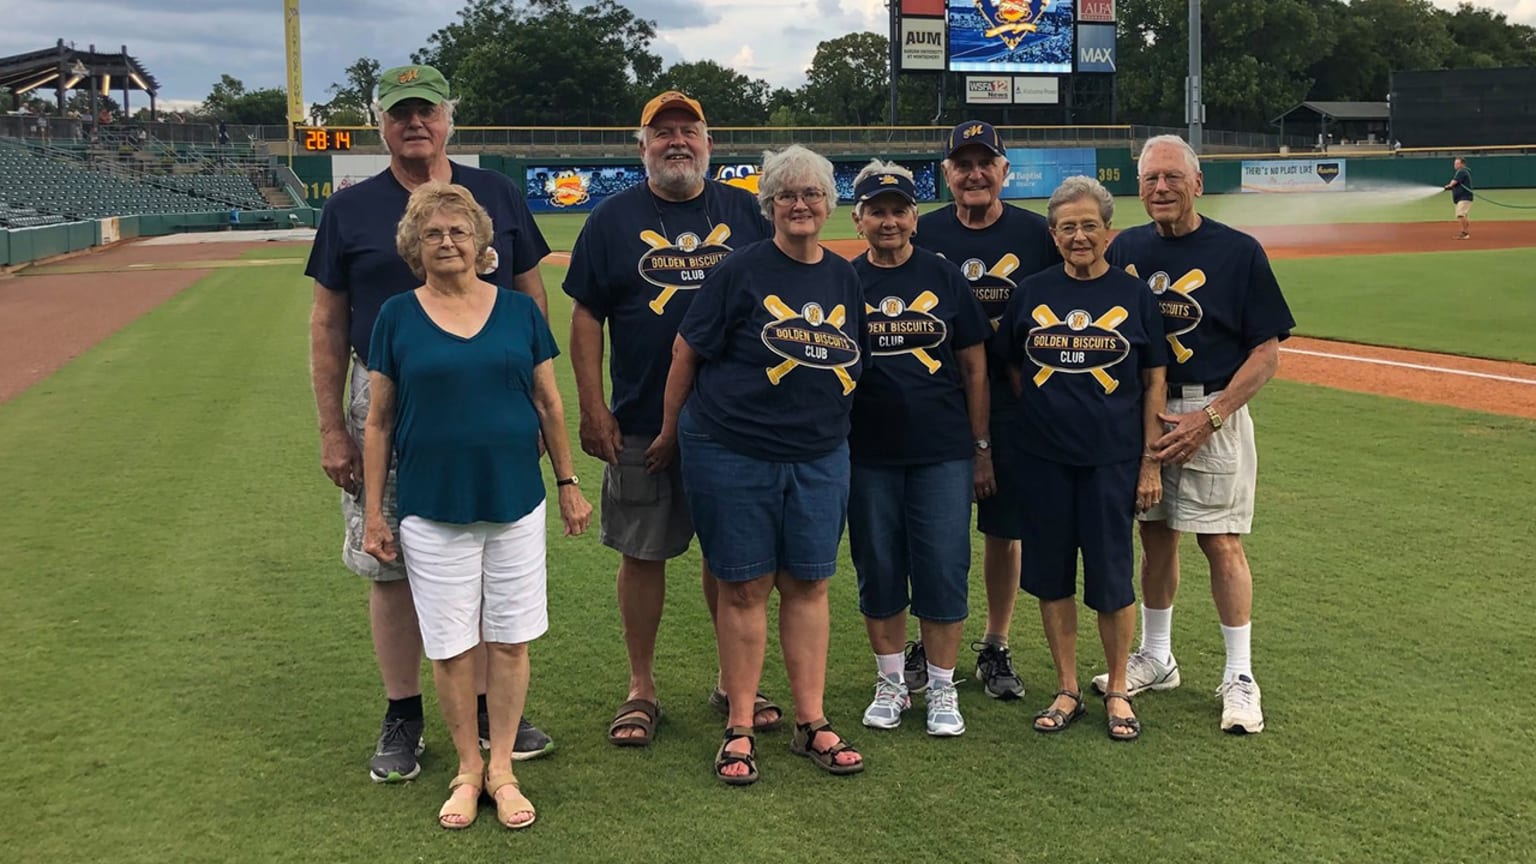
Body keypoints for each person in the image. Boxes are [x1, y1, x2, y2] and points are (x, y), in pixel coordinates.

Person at [305, 63, 556, 784]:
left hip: (492, 398)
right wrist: (331, 427)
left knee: (484, 552)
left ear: (450, 117)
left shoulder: (497, 195)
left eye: (427, 111)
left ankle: (484, 711)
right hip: (385, 403)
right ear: (379, 123)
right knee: (390, 567)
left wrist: (537, 405)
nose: (415, 123)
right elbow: (327, 322)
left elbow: (530, 296)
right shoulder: (351, 210)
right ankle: (403, 712)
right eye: (400, 112)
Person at [362, 182, 591, 829]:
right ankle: (468, 769)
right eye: (432, 233)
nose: (447, 242)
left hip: (514, 501)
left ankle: (503, 770)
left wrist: (570, 481)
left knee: (511, 643)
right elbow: (378, 424)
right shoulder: (396, 317)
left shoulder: (520, 313)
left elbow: (548, 403)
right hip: (433, 509)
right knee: (453, 650)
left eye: (458, 231)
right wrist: (375, 512)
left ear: (480, 242)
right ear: (414, 245)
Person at [562, 90, 777, 747]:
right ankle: (641, 688)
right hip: (638, 419)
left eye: (689, 130)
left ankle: (732, 681)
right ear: (643, 147)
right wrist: (592, 407)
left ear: (711, 144)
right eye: (663, 132)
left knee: (733, 556)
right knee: (642, 553)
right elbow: (586, 315)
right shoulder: (611, 220)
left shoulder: (748, 212)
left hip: (734, 423)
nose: (677, 141)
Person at [653, 144, 867, 785]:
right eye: (786, 195)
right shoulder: (740, 271)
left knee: (809, 584)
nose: (800, 205)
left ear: (830, 204)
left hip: (818, 454)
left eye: (811, 194)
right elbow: (686, 352)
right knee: (743, 588)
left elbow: (849, 358)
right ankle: (740, 724)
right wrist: (669, 431)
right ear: (768, 205)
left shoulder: (842, 274)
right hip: (732, 448)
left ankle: (810, 721)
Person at [1096, 134, 1296, 734]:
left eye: (1172, 178)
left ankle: (1240, 675)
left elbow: (1266, 352)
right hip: (1145, 412)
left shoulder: (1238, 252)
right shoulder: (1125, 248)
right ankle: (1157, 657)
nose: (1161, 188)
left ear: (1197, 183)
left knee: (1221, 541)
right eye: (1151, 179)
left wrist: (1211, 417)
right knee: (1155, 539)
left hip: (1213, 409)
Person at [994, 176, 1167, 741]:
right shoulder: (1032, 292)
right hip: (1044, 460)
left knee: (1113, 580)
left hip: (1111, 461)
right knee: (1052, 579)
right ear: (1053, 233)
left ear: (1108, 230)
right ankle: (1067, 687)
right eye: (1067, 227)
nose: (1079, 236)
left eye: (1089, 225)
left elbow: (1153, 380)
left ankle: (1117, 688)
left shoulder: (1133, 295)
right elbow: (1014, 368)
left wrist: (1149, 463)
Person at [911, 120, 1059, 700]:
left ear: (1004, 169)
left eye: (985, 162)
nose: (974, 173)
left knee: (1004, 531)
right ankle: (929, 637)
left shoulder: (1036, 234)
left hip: (1016, 406)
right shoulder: (923, 232)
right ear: (946, 173)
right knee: (933, 531)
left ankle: (996, 645)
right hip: (940, 406)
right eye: (962, 164)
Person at [845, 161, 992, 737]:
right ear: (858, 220)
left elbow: (975, 367)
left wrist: (981, 448)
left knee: (942, 566)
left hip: (942, 449)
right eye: (876, 211)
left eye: (899, 210)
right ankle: (890, 682)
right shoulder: (845, 279)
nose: (889, 221)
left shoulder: (944, 276)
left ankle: (942, 686)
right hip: (867, 450)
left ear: (914, 218)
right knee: (878, 564)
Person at [1444, 157, 1473, 239]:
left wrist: (1448, 186)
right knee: (1463, 215)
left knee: (1460, 215)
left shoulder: (1462, 171)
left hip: (1464, 197)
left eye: (1457, 163)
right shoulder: (1461, 172)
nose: (1455, 165)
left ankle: (1465, 233)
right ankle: (1465, 231)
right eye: (1455, 163)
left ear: (1462, 164)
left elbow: (1454, 182)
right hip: (1462, 197)